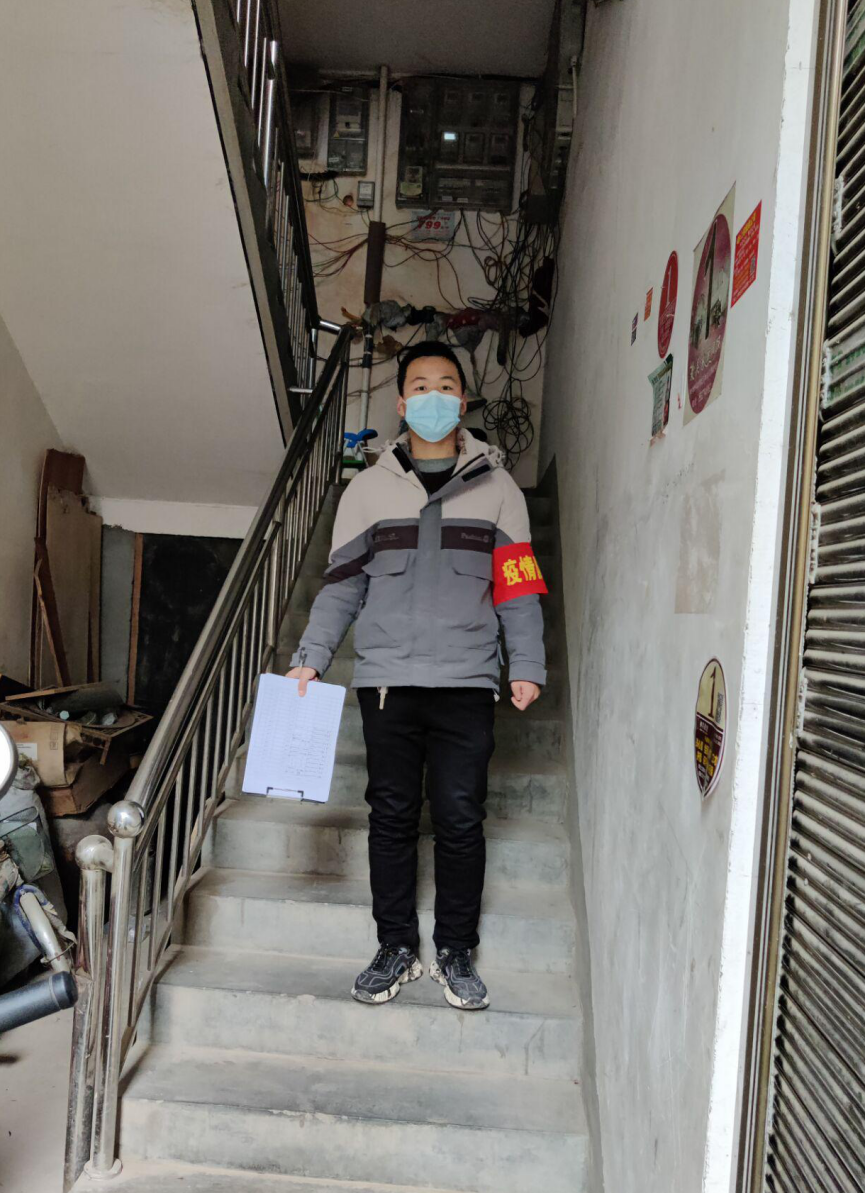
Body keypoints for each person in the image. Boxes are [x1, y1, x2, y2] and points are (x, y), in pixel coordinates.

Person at [287, 341, 547, 1011]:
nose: (435, 396)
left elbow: (518, 586)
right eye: (422, 386)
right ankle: (395, 946)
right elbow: (342, 584)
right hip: (387, 682)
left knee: (460, 817)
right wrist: (312, 654)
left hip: (466, 682)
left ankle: (455, 949)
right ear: (402, 404)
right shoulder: (366, 490)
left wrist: (526, 664)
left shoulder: (499, 489)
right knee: (392, 816)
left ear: (463, 400)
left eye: (447, 385)